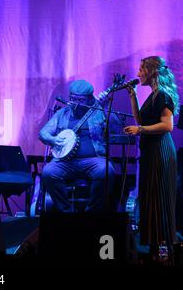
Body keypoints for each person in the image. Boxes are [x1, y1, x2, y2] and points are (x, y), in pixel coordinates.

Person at [124, 56, 179, 261]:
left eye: (141, 70)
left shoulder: (163, 94)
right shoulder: (153, 95)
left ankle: (166, 254)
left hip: (161, 152)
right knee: (151, 200)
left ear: (151, 71)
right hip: (151, 152)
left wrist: (140, 129)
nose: (138, 74)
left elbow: (167, 126)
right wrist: (133, 97)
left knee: (161, 200)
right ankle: (156, 252)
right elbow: (140, 120)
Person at [39, 80, 121, 212]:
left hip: (94, 159)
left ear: (90, 99)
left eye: (80, 100)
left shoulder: (99, 111)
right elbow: (43, 133)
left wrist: (106, 109)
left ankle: (91, 212)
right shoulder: (63, 113)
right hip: (65, 161)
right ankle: (66, 211)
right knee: (49, 172)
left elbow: (117, 128)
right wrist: (53, 140)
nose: (76, 103)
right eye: (73, 99)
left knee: (106, 171)